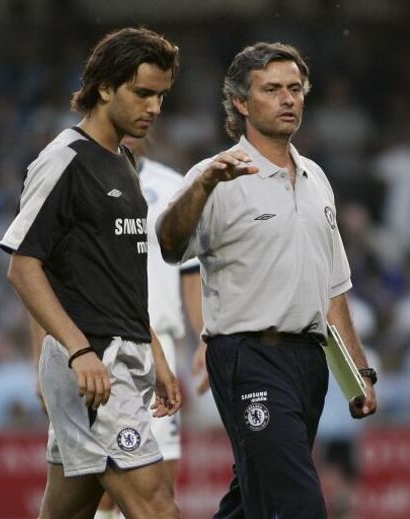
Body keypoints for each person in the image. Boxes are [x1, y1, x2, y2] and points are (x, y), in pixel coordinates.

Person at [156, 41, 378, 518]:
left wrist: (359, 373)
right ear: (240, 101)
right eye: (272, 89)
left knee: (252, 495)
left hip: (309, 360)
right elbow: (170, 246)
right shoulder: (214, 175)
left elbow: (334, 288)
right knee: (298, 502)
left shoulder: (317, 178)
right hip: (249, 356)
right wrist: (202, 187)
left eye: (295, 88)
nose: (288, 99)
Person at [0, 27, 181, 519]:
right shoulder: (63, 161)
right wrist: (79, 351)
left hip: (122, 354)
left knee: (69, 510)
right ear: (104, 88)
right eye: (142, 93)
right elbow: (23, 267)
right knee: (157, 505)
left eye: (161, 96)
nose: (154, 108)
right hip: (94, 363)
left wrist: (155, 352)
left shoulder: (122, 158)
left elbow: (118, 278)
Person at [95, 136, 203, 519]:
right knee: (102, 485)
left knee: (161, 481)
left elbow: (191, 272)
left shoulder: (174, 187)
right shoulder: (80, 177)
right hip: (100, 344)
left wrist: (204, 339)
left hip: (161, 343)